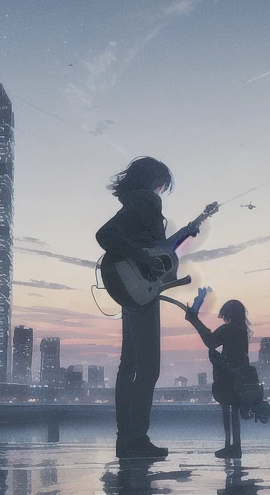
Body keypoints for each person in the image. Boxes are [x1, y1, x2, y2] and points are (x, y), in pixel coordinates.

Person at [96, 156, 197, 459]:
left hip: (136, 289)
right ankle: (136, 438)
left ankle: (125, 439)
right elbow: (106, 235)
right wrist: (143, 259)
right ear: (153, 180)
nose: (162, 190)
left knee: (129, 366)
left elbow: (157, 253)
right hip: (142, 292)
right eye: (161, 183)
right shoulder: (144, 205)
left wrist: (181, 237)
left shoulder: (137, 205)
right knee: (148, 367)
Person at [185, 290, 253, 458]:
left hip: (228, 377)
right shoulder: (241, 331)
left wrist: (195, 321)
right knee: (234, 411)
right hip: (240, 377)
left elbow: (211, 341)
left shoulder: (229, 329)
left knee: (226, 411)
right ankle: (235, 446)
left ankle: (229, 445)